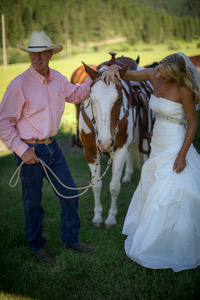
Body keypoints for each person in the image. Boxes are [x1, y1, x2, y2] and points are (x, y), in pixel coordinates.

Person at [0, 31, 95, 265]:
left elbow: (77, 93)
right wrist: (22, 150)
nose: (36, 57)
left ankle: (70, 238)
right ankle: (37, 245)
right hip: (30, 151)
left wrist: (95, 76)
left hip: (53, 148)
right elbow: (3, 123)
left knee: (70, 193)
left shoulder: (59, 79)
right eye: (33, 53)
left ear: (50, 53)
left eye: (41, 52)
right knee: (34, 203)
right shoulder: (19, 84)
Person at [102, 52, 200, 272]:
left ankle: (171, 242)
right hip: (157, 140)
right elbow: (126, 76)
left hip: (175, 141)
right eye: (159, 70)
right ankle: (155, 233)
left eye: (164, 76)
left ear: (176, 77)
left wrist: (182, 154)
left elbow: (192, 126)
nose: (158, 76)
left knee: (169, 190)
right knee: (153, 184)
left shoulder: (184, 90)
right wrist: (114, 68)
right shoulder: (153, 73)